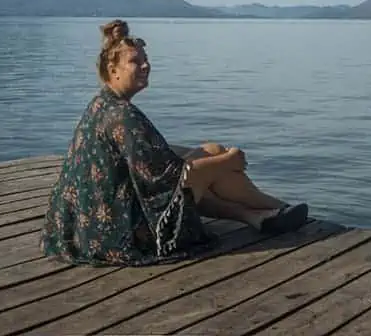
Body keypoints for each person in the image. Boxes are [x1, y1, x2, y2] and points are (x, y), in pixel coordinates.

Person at [41, 19, 308, 266]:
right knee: (208, 162)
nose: (145, 66)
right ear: (113, 70)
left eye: (146, 59)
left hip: (85, 228)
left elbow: (154, 160)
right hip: (121, 234)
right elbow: (171, 181)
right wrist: (229, 160)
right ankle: (275, 206)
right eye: (135, 61)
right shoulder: (124, 116)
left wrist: (209, 158)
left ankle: (255, 216)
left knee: (205, 155)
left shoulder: (102, 104)